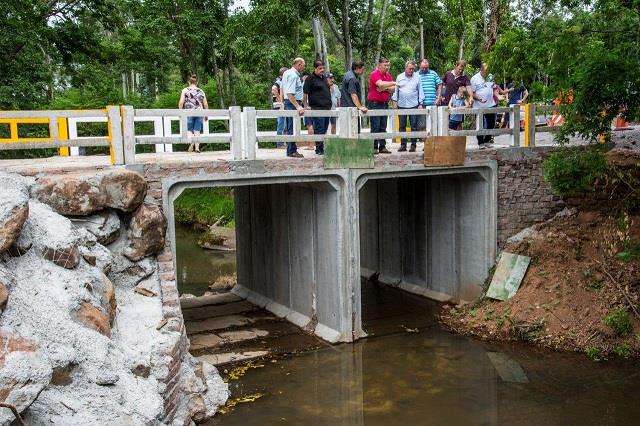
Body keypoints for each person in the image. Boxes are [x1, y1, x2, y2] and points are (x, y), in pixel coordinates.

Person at [470, 63, 509, 148]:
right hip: (479, 106)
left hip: (491, 104)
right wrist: (478, 98)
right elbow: (471, 93)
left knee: (491, 123)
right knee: (480, 124)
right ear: (481, 69)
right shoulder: (474, 79)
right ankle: (481, 143)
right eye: (486, 71)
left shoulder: (490, 77)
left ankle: (487, 141)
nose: (487, 73)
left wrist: (498, 96)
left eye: (488, 71)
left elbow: (493, 89)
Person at [391, 60, 424, 152]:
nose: (411, 70)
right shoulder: (399, 77)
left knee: (414, 126)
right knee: (402, 126)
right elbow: (396, 91)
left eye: (413, 69)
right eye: (410, 69)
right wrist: (395, 102)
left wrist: (420, 103)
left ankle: (413, 145)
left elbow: (420, 90)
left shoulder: (417, 77)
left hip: (414, 105)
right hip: (401, 105)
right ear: (405, 68)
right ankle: (403, 145)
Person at [367, 57, 396, 154]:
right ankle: (374, 147)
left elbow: (392, 90)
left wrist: (384, 88)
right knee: (375, 126)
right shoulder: (374, 74)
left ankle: (382, 147)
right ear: (380, 65)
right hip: (375, 103)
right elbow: (380, 84)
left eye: (388, 65)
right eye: (385, 65)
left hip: (384, 103)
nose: (387, 67)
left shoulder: (388, 76)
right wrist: (392, 83)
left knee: (383, 126)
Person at [303, 60, 331, 155]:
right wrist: (306, 105)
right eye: (320, 68)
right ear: (315, 68)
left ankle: (322, 147)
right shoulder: (310, 79)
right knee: (319, 128)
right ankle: (319, 149)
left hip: (327, 108)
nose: (322, 70)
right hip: (317, 108)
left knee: (325, 128)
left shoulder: (324, 78)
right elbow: (305, 94)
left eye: (323, 68)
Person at [281, 57, 306, 158]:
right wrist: (298, 106)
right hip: (292, 103)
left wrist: (282, 102)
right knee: (292, 127)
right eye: (303, 66)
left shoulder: (286, 72)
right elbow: (290, 93)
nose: (303, 68)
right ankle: (292, 150)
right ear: (299, 64)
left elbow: (282, 88)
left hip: (288, 102)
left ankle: (290, 149)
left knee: (290, 126)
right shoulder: (292, 75)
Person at [178, 74, 208, 153]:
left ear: (189, 82)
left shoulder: (185, 90)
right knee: (197, 130)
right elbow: (205, 104)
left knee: (189, 130)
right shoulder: (201, 91)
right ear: (197, 82)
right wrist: (206, 114)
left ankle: (192, 143)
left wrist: (180, 112)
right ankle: (197, 148)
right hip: (199, 112)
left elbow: (181, 102)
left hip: (189, 112)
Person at [416, 58, 443, 134]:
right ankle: (422, 142)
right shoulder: (416, 74)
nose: (424, 69)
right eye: (423, 67)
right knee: (421, 124)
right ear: (419, 66)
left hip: (433, 103)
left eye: (426, 67)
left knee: (433, 124)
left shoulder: (433, 73)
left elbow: (440, 84)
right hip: (421, 104)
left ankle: (432, 141)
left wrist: (438, 97)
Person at [341, 61, 368, 130]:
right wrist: (360, 107)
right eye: (362, 69)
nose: (363, 71)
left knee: (347, 131)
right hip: (350, 108)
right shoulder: (352, 78)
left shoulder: (347, 74)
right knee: (354, 130)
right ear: (357, 68)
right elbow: (353, 94)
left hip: (345, 107)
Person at [272, 67, 288, 148]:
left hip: (281, 105)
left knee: (285, 124)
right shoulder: (278, 81)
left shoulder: (282, 81)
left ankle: (285, 143)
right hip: (279, 105)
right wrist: (280, 101)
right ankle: (280, 143)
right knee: (281, 124)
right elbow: (274, 89)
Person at [300, 72, 315, 150]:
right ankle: (314, 144)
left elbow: (303, 97)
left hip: (308, 106)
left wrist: (304, 105)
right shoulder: (313, 83)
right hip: (314, 106)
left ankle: (311, 145)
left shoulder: (304, 84)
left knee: (309, 125)